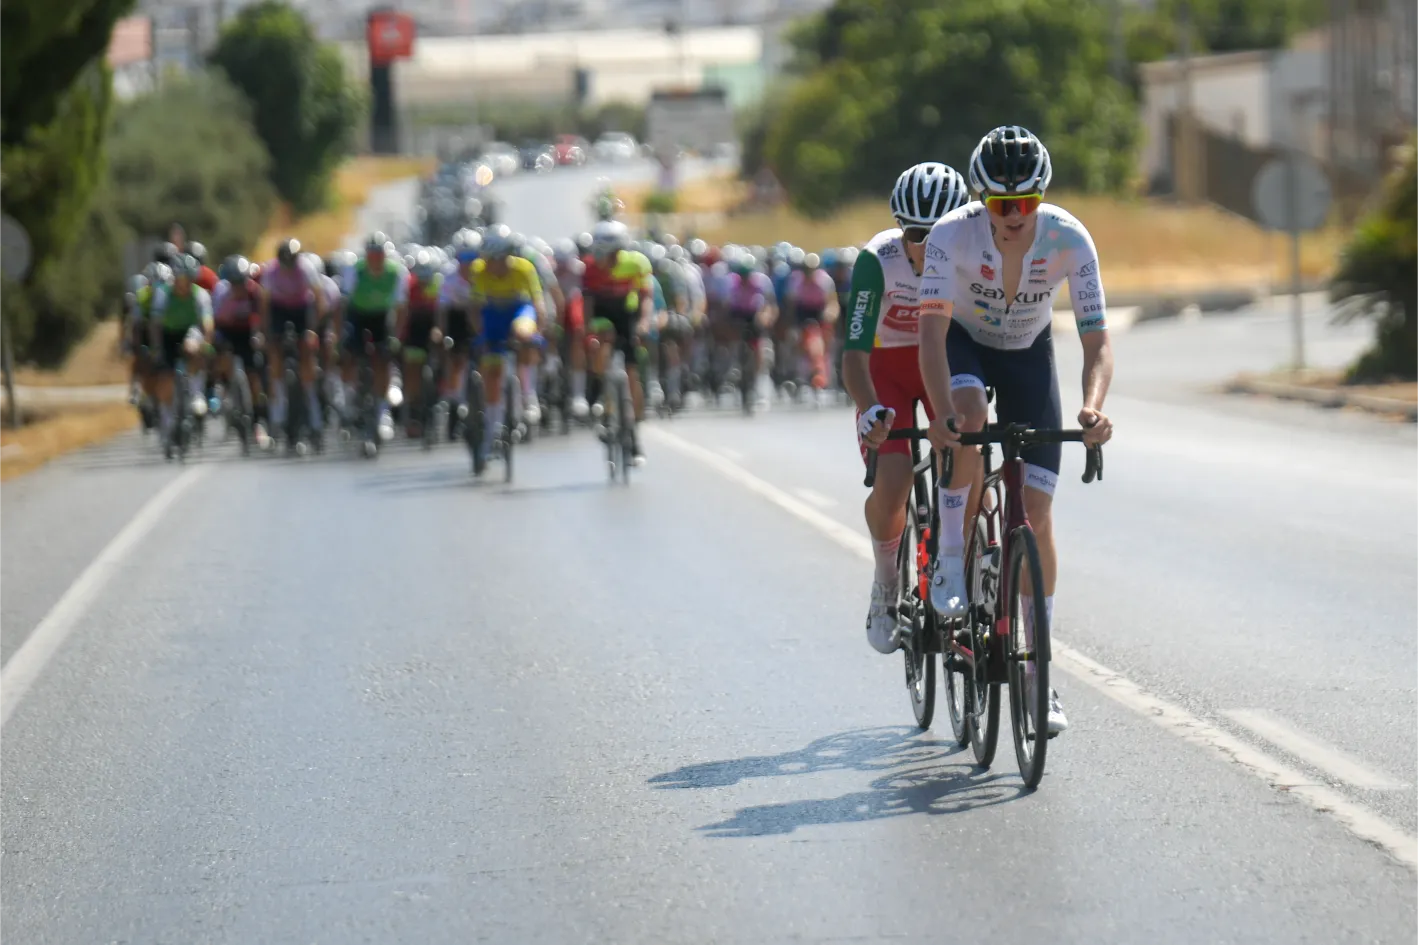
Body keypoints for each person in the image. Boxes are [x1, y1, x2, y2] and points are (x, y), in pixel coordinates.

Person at [917, 126, 1116, 735]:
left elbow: (1097, 340)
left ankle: (1038, 674)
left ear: (1040, 198)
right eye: (1000, 203)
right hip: (965, 344)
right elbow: (931, 335)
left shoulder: (1070, 238)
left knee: (1038, 513)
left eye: (1024, 202)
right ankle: (952, 552)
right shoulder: (950, 235)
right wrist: (941, 413)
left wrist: (1092, 408)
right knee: (970, 415)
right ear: (982, 199)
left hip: (1029, 354)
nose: (1012, 215)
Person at [842, 162, 971, 654]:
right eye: (918, 234)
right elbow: (854, 355)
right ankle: (885, 584)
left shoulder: (972, 254)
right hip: (888, 372)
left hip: (943, 364)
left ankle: (965, 556)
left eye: (941, 233)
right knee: (894, 480)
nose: (929, 244)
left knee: (964, 455)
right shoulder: (877, 261)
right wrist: (869, 409)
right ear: (901, 230)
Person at [468, 225, 547, 465]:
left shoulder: (524, 268)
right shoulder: (479, 270)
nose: (493, 265)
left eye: (498, 259)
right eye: (490, 259)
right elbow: (474, 309)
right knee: (491, 372)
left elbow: (538, 304)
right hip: (492, 315)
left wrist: (538, 332)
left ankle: (528, 395)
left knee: (523, 335)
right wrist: (481, 335)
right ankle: (492, 429)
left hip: (519, 311)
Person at [582, 220, 653, 464]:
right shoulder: (590, 267)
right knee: (601, 342)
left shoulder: (637, 263)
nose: (605, 260)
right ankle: (598, 388)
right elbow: (588, 301)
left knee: (632, 374)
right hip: (602, 313)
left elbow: (646, 297)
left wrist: (644, 322)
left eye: (610, 255)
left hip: (627, 314)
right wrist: (588, 329)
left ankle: (634, 434)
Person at [340, 233, 409, 441]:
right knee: (349, 354)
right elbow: (343, 304)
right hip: (357, 315)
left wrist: (396, 337)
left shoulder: (396, 272)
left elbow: (401, 309)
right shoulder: (355, 270)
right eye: (372, 255)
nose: (375, 259)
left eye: (379, 255)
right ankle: (349, 399)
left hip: (382, 316)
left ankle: (382, 413)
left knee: (383, 360)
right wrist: (338, 332)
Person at [261, 238, 327, 449]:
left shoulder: (306, 268)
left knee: (307, 353)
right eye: (285, 263)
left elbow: (319, 300)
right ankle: (277, 414)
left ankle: (314, 416)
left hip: (301, 309)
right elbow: (264, 305)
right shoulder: (271, 272)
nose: (289, 268)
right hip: (279, 310)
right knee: (274, 353)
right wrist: (266, 333)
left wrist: (313, 330)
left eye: (292, 263)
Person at [148, 255, 213, 458]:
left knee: (193, 348)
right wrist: (156, 348)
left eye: (187, 279)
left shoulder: (200, 295)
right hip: (168, 334)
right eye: (179, 279)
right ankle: (167, 422)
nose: (183, 284)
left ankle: (196, 394)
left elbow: (207, 324)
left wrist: (206, 343)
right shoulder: (163, 293)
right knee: (165, 379)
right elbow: (155, 324)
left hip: (190, 331)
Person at [211, 255, 268, 446]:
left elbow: (263, 316)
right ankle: (224, 390)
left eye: (242, 282)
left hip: (247, 333)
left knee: (253, 376)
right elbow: (214, 321)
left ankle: (258, 420)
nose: (239, 287)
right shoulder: (221, 293)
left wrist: (260, 334)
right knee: (223, 358)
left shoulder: (255, 292)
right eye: (234, 283)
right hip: (227, 332)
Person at [398, 249, 446, 437]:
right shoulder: (407, 286)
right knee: (413, 369)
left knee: (446, 351)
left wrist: (439, 331)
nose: (424, 281)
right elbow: (402, 313)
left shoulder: (440, 285)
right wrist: (399, 337)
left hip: (434, 327)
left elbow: (443, 313)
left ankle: (444, 389)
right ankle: (413, 409)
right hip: (414, 332)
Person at [784, 251, 841, 391]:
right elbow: (791, 304)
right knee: (796, 339)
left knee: (825, 340)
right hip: (802, 310)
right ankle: (797, 373)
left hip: (819, 311)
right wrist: (792, 324)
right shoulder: (795, 280)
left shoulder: (825, 281)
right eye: (806, 270)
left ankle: (824, 373)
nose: (808, 273)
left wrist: (830, 315)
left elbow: (832, 303)